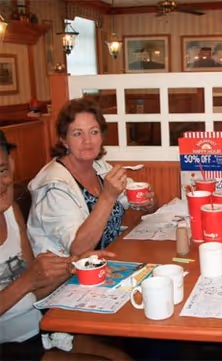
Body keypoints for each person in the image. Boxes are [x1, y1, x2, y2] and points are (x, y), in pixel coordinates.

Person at [0, 130, 131, 361]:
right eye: (77, 133)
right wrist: (27, 281)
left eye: (1, 170)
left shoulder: (9, 211)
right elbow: (29, 281)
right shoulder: (53, 182)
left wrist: (74, 265)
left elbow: (38, 288)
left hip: (43, 327)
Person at [27, 98, 157, 257]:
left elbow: (133, 198)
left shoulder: (100, 167)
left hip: (110, 262)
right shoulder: (53, 185)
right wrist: (108, 196)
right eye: (77, 133)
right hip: (68, 275)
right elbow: (78, 250)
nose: (87, 141)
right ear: (64, 141)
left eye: (93, 132)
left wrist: (148, 202)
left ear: (101, 136)